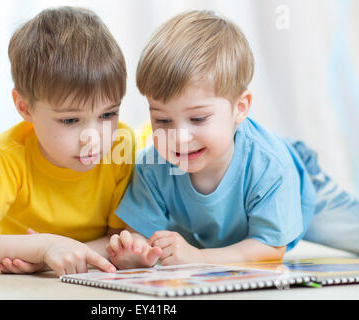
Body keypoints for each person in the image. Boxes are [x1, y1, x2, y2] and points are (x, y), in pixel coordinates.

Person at [105, 10, 359, 269]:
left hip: (304, 188)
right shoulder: (153, 167)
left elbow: (270, 247)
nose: (179, 138)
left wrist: (200, 258)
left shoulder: (270, 166)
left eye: (198, 119)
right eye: (163, 120)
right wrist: (135, 250)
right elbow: (140, 232)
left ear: (240, 108)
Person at [0, 6, 136, 276]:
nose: (94, 139)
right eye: (70, 121)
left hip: (37, 253)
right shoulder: (5, 156)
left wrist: (52, 254)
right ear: (25, 107)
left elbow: (117, 240)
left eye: (108, 114)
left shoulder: (120, 146)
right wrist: (43, 246)